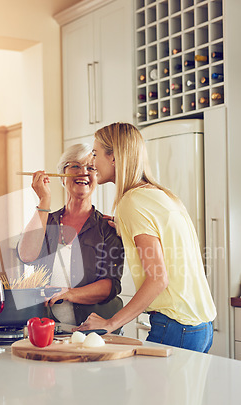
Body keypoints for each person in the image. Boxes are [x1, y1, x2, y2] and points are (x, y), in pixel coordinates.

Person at [78, 122, 216, 352]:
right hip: (200, 327)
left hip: (175, 325)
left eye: (95, 153)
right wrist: (125, 227)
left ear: (114, 157)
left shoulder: (131, 202)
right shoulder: (159, 195)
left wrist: (110, 323)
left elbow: (158, 279)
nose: (91, 162)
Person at [17, 143, 124, 331]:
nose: (83, 172)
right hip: (49, 330)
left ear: (97, 177)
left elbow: (110, 285)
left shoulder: (107, 228)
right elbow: (27, 255)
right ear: (62, 175)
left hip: (94, 331)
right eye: (75, 166)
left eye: (91, 168)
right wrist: (44, 201)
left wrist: (69, 293)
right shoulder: (45, 221)